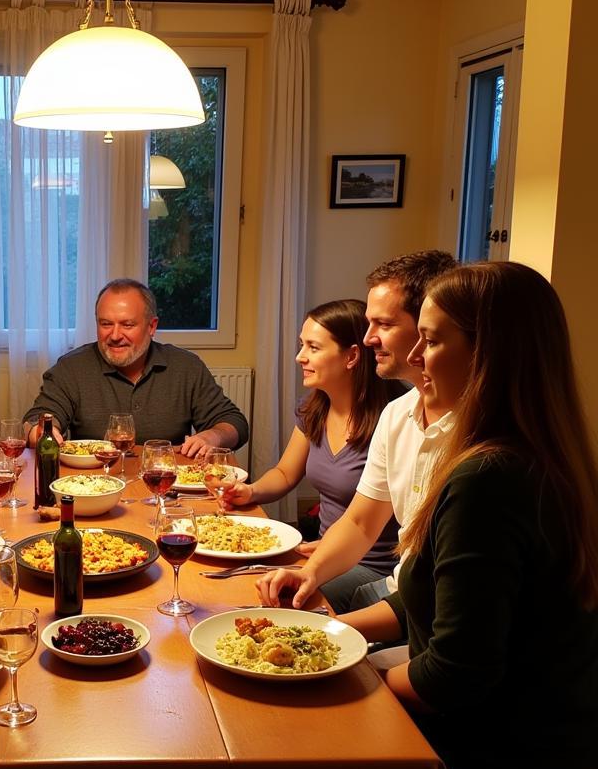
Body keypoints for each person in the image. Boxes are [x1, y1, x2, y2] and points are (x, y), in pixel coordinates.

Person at [337, 262, 598, 769]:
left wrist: (351, 676)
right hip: (544, 762)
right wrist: (331, 634)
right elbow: (432, 596)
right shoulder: (528, 453)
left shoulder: (488, 478)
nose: (414, 358)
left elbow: (453, 675)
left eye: (430, 340)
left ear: (489, 355)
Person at [257, 250, 457, 612]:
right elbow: (361, 522)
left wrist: (334, 625)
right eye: (369, 324)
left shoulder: (472, 433)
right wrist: (311, 573)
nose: (367, 339)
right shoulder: (398, 415)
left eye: (385, 324)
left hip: (407, 599)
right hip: (401, 597)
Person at [222, 299, 401, 608]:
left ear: (352, 356)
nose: (299, 357)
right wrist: (250, 491)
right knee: (239, 583)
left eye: (313, 348)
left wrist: (317, 564)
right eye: (301, 345)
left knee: (277, 599)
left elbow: (362, 525)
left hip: (372, 565)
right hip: (323, 552)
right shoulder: (315, 407)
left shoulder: (394, 416)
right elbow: (285, 473)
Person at [23, 278, 248, 457]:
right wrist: (43, 432)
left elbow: (235, 423)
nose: (115, 335)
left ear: (152, 326)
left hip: (167, 490)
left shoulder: (185, 366)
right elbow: (35, 420)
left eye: (127, 324)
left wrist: (213, 437)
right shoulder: (72, 367)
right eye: (106, 324)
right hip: (93, 486)